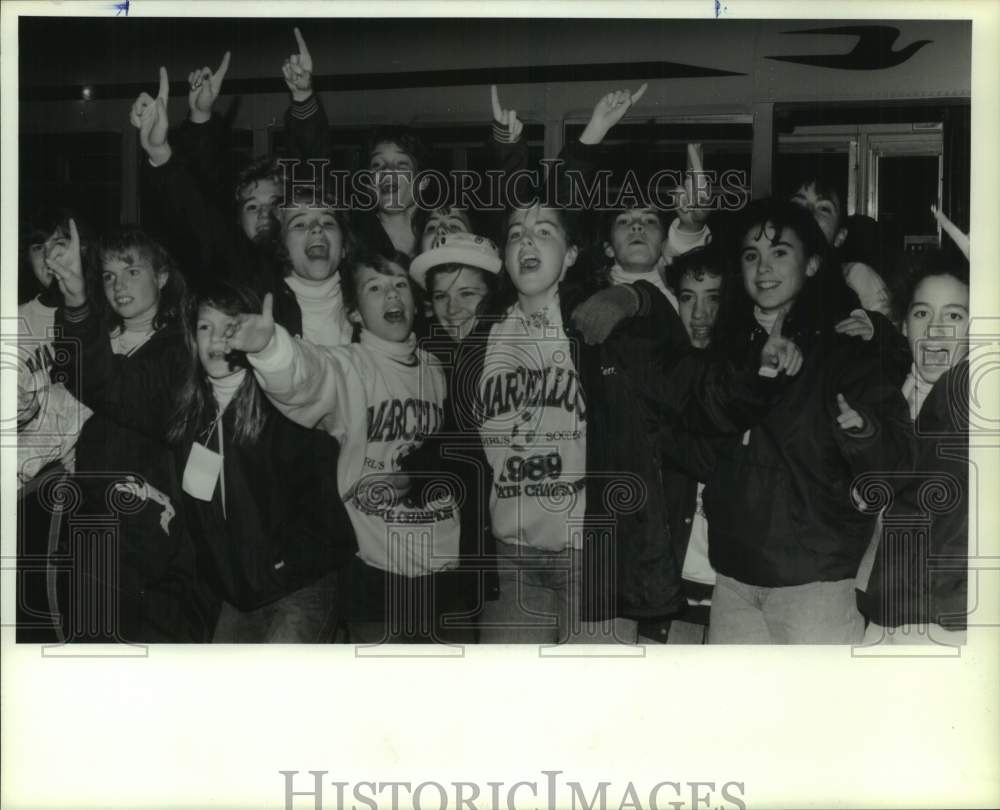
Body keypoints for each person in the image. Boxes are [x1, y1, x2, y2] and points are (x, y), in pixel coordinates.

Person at [688, 198, 912, 644]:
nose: (763, 267)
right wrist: (755, 368)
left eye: (780, 252)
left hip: (816, 584)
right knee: (731, 713)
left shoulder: (847, 341)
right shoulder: (730, 343)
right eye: (752, 255)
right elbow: (701, 424)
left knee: (819, 714)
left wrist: (864, 432)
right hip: (733, 576)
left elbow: (894, 460)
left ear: (811, 264)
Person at [226, 255, 466, 644]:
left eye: (400, 285)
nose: (392, 294)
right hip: (379, 579)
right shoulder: (349, 367)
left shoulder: (438, 368)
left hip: (447, 578)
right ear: (353, 314)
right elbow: (307, 376)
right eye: (375, 287)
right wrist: (270, 348)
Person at [48, 222, 217, 642]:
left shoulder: (181, 347)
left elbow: (114, 391)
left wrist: (76, 302)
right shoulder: (104, 336)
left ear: (161, 276)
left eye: (132, 271)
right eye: (108, 275)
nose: (118, 285)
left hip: (148, 529)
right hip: (85, 514)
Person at [859, 249, 970, 645]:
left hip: (947, 624)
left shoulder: (976, 405)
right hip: (881, 613)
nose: (936, 329)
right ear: (903, 325)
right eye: (923, 313)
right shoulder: (885, 402)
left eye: (955, 316)